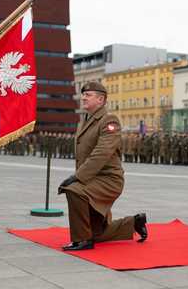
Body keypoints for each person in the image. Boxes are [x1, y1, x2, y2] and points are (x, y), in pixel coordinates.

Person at [58, 81, 147, 251]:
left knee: (74, 190)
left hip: (108, 180)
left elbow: (102, 153)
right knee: (98, 233)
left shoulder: (109, 120)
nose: (83, 97)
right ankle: (134, 222)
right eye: (83, 94)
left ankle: (83, 240)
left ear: (100, 99)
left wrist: (77, 177)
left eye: (88, 95)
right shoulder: (84, 120)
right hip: (92, 179)